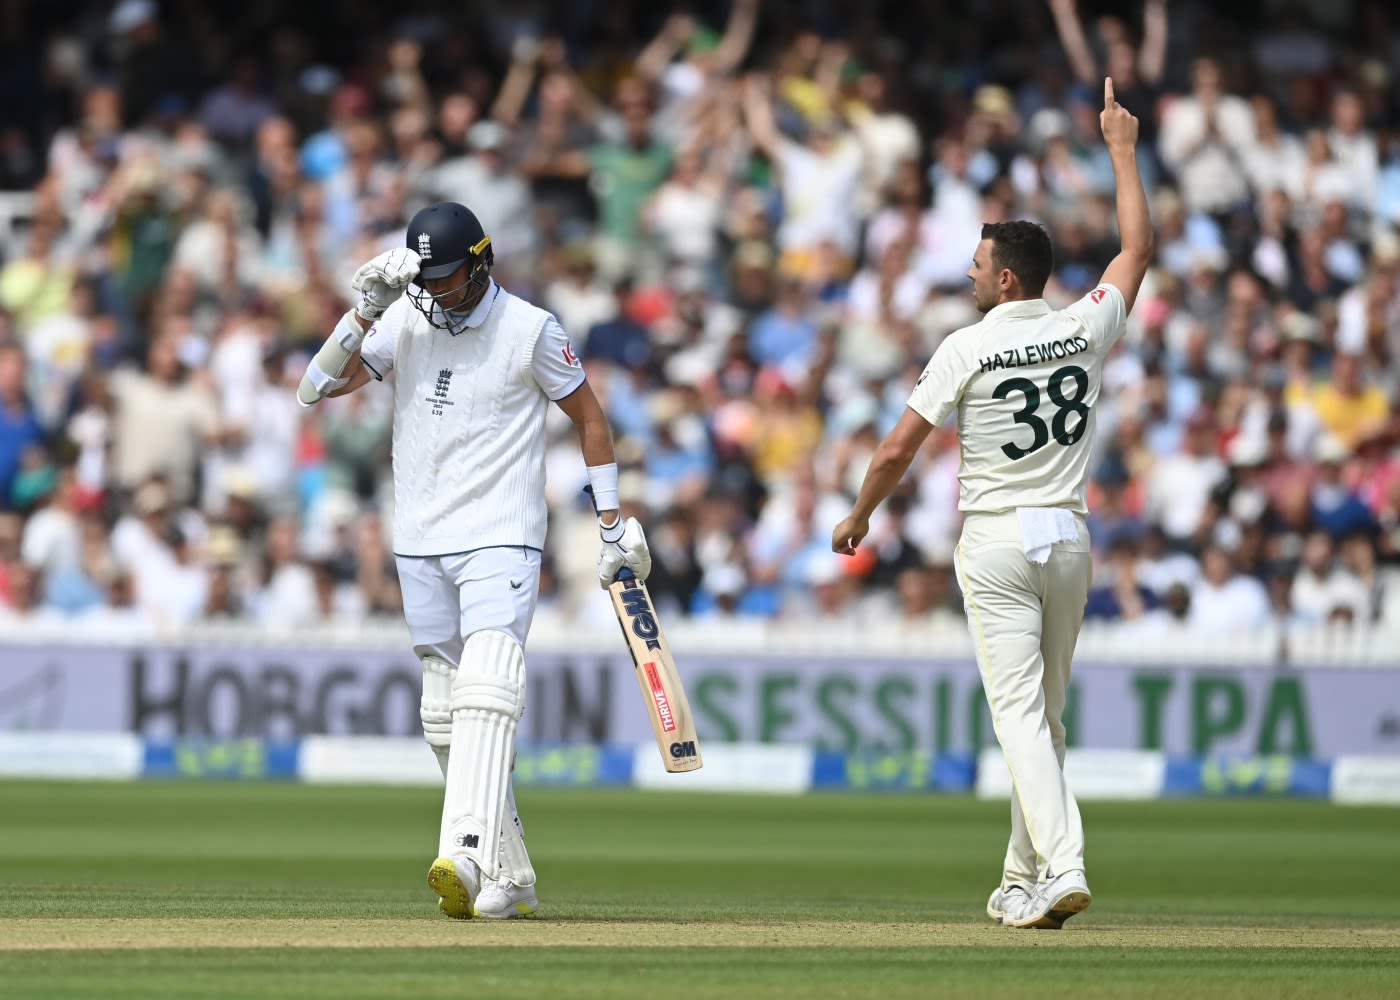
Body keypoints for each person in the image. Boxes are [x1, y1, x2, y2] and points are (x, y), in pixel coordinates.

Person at [831, 78, 1151, 930]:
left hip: (1000, 540)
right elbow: (1137, 250)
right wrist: (1122, 151)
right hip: (1071, 538)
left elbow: (899, 446)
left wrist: (860, 516)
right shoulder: (1084, 324)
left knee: (1017, 718)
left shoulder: (967, 345)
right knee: (1042, 719)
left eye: (977, 267)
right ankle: (1020, 880)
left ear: (1005, 279)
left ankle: (1064, 863)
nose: (968, 277)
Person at [296, 201, 652, 920]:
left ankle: (461, 849)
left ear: (482, 261)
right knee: (442, 710)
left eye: (451, 276)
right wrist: (362, 310)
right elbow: (315, 389)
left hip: (502, 530)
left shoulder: (530, 328)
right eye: (427, 279)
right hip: (419, 534)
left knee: (487, 684)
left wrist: (610, 522)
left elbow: (589, 417)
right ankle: (510, 876)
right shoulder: (402, 318)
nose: (438, 291)